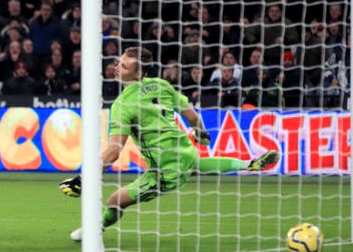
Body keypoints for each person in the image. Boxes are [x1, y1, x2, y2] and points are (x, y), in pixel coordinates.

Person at [59, 48, 279, 241]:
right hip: (185, 151)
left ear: (137, 73)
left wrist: (83, 179)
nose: (116, 67)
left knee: (116, 200)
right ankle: (248, 164)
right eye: (118, 62)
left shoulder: (123, 104)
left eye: (123, 66)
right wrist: (201, 134)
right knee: (194, 165)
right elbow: (192, 116)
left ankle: (95, 229)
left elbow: (114, 151)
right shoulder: (161, 85)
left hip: (165, 170)